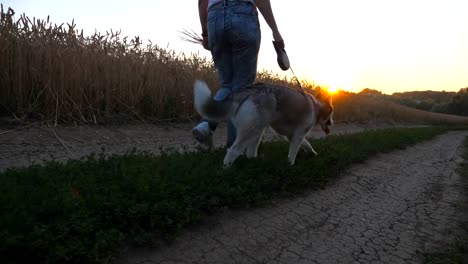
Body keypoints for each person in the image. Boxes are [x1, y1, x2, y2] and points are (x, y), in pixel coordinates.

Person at [192, 0, 285, 149]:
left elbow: (202, 1)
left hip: (214, 18)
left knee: (227, 85)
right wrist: (275, 30)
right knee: (242, 88)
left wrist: (205, 33)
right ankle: (235, 148)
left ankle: (206, 125)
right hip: (243, 15)